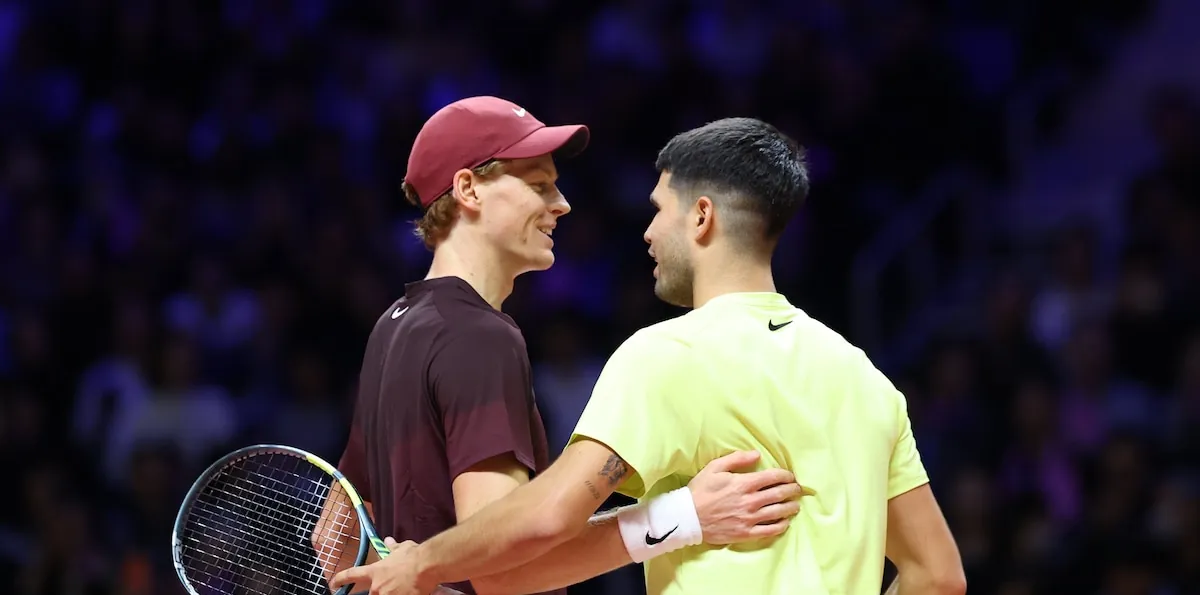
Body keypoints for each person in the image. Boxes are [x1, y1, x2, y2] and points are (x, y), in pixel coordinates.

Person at [330, 117, 967, 595]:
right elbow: (939, 576)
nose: (647, 232)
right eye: (540, 185)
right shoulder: (867, 380)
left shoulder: (666, 355)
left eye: (659, 210)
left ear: (702, 217)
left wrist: (421, 563)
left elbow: (535, 529)